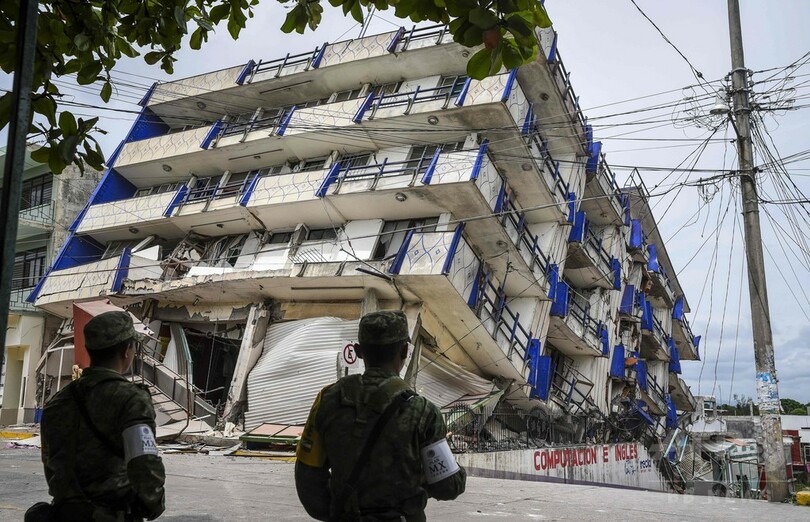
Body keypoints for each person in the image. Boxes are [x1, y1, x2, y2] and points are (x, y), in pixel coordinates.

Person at [295, 310, 466, 521]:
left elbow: (307, 478)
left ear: (358, 351)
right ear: (405, 351)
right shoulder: (423, 411)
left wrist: (340, 512)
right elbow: (448, 486)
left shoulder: (328, 399)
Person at [34, 311, 166, 521]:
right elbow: (144, 462)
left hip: (64, 513)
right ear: (127, 350)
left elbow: (51, 463)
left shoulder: (58, 403)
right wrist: (153, 504)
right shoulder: (131, 400)